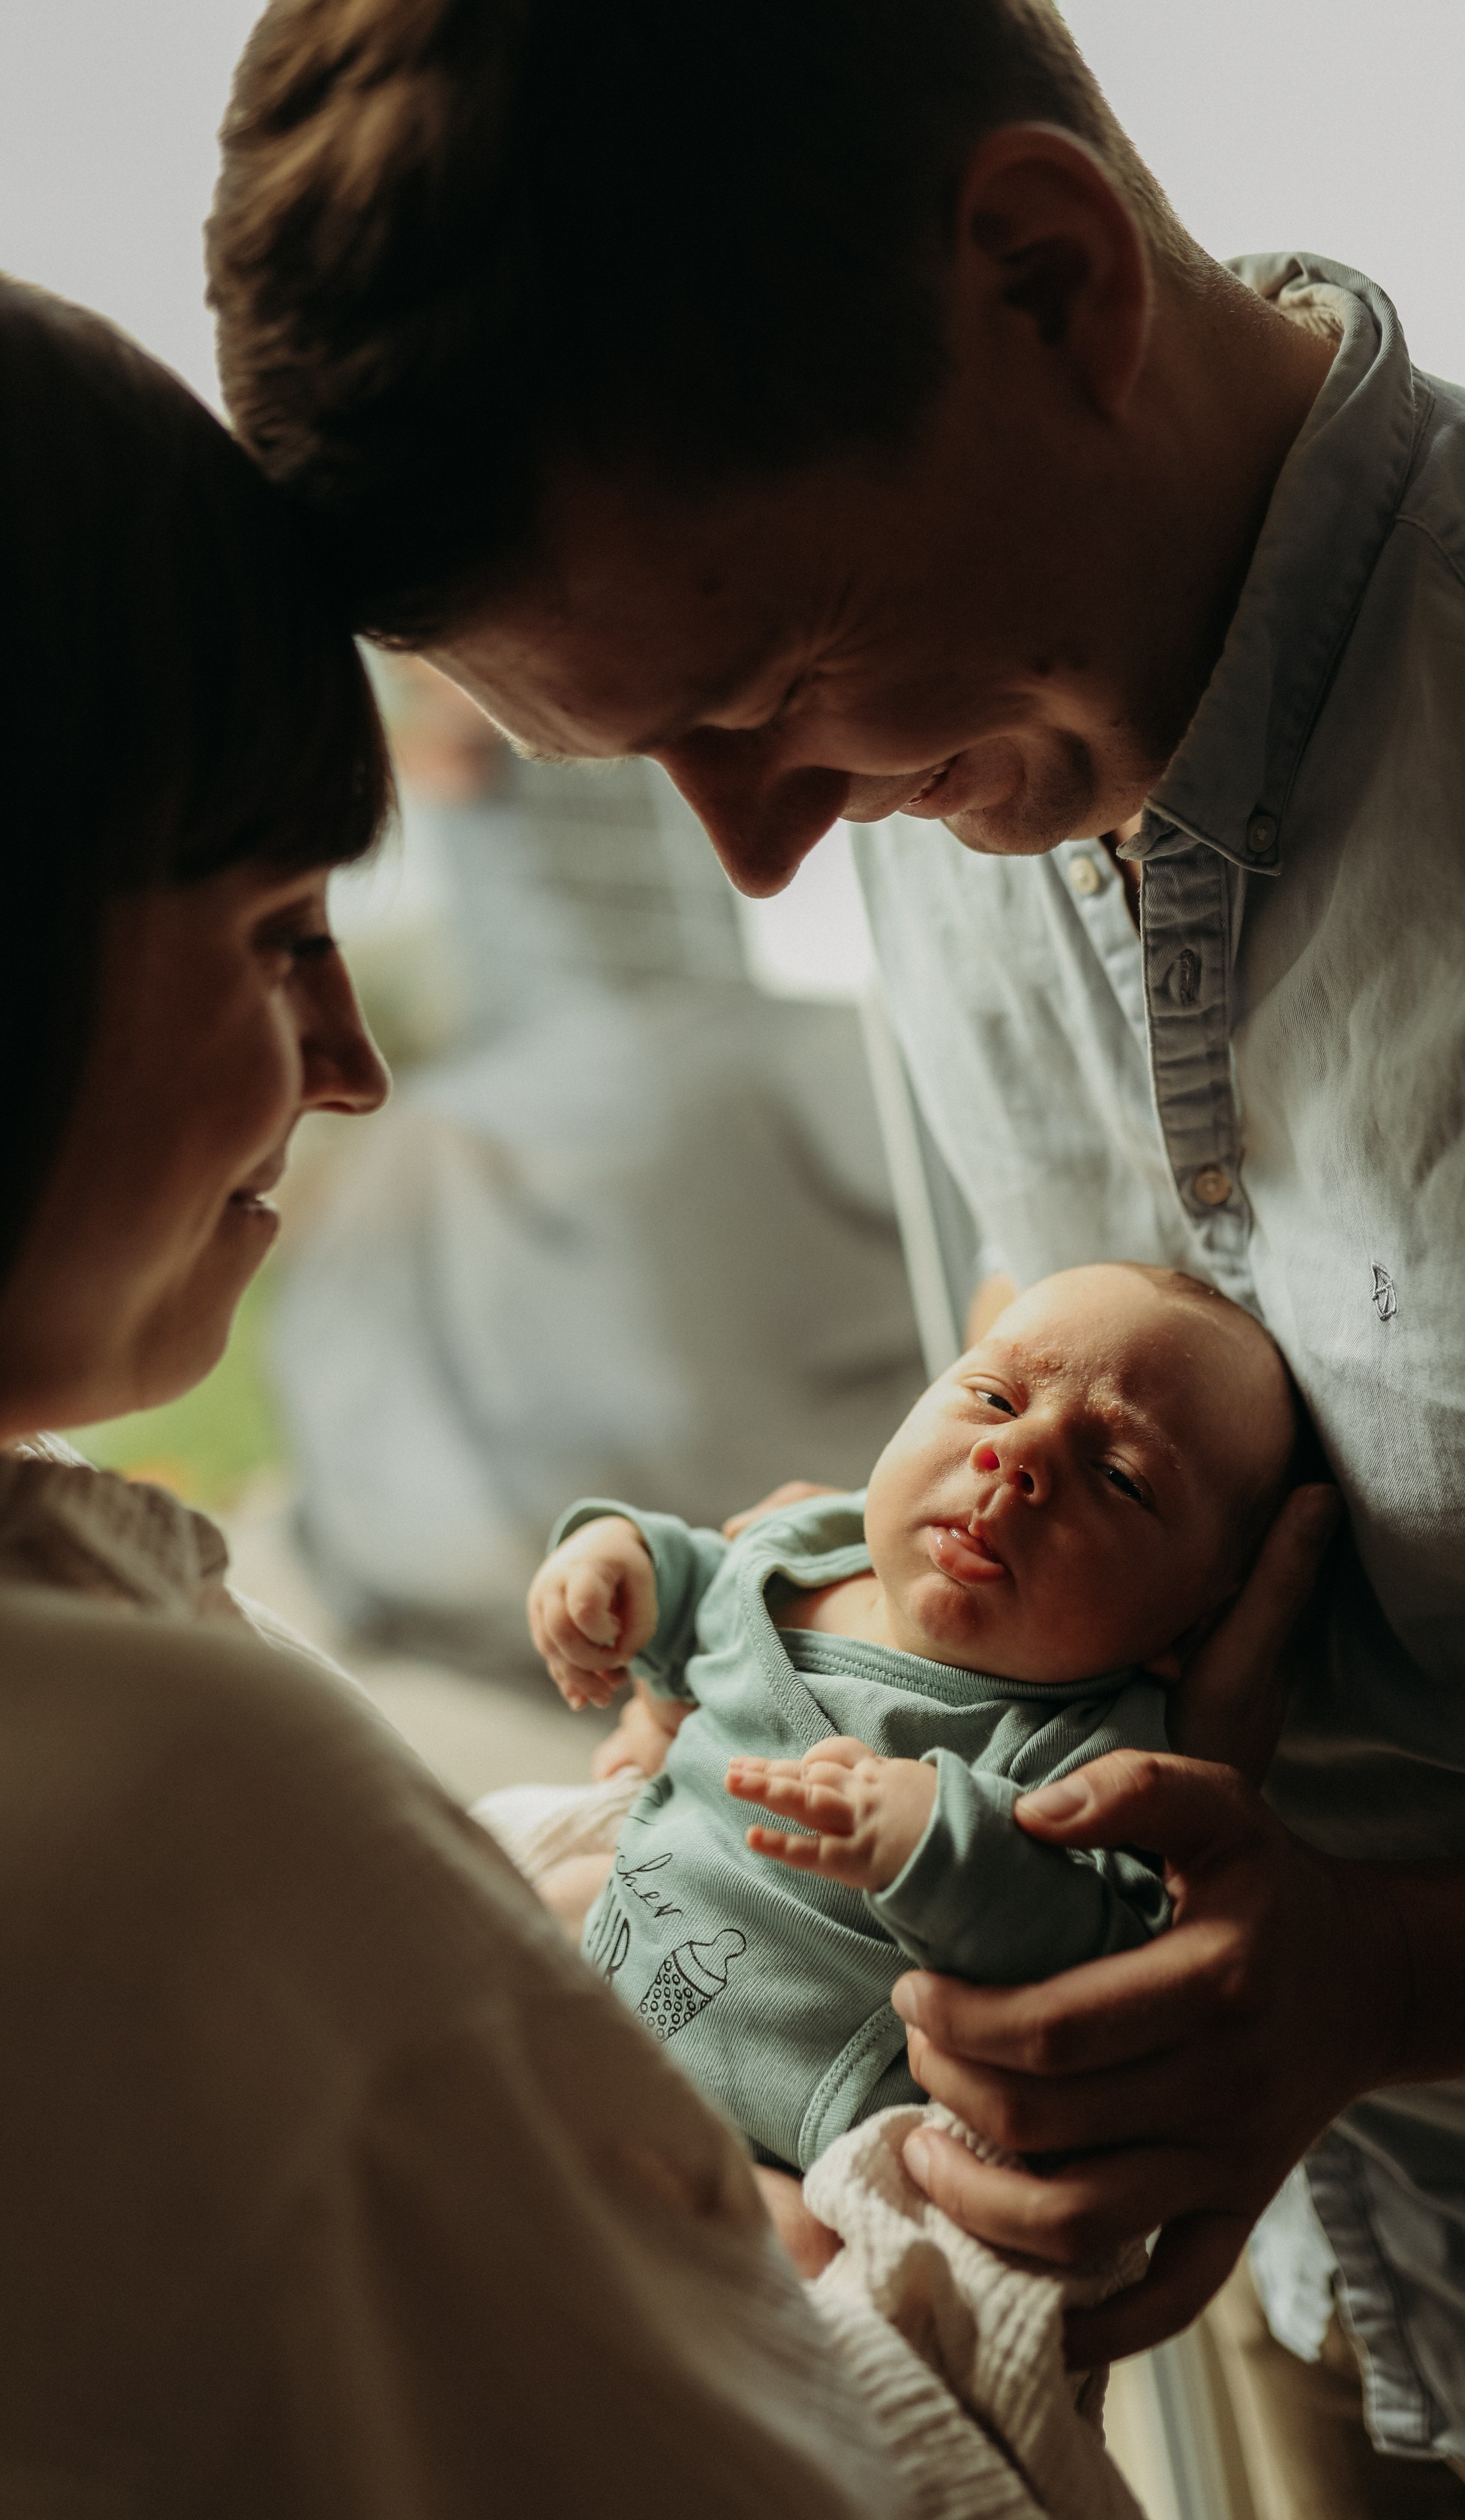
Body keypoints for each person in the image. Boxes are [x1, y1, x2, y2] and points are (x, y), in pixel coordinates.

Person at [205, 5, 1465, 2513]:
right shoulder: (934, 775)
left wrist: (1394, 1982)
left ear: (1044, 275)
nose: (764, 855)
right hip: (1279, 2337)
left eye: (772, 694)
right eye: (651, 752)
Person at [0, 272, 928, 2517]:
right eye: (274, 934)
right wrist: (924, 2229)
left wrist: (514, 1898)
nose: (352, 1066)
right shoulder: (174, 1815)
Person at [522, 1263, 1311, 2173]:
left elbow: (1114, 1948)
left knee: (803, 2253)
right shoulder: (807, 1552)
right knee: (494, 1921)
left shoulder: (1097, 1751)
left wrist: (943, 1845)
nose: (1022, 1456)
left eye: (1122, 1478)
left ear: (1193, 1623)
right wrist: (617, 1563)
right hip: (606, 1969)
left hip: (789, 2133)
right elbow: (699, 1584)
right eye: (993, 1395)